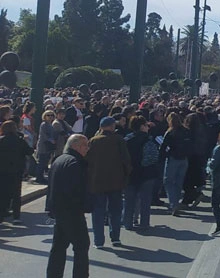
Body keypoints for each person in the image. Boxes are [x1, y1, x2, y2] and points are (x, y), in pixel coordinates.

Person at [46, 134, 91, 278]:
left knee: (59, 246)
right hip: (72, 211)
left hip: (59, 210)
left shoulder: (59, 159)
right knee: (81, 245)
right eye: (85, 145)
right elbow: (76, 189)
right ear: (76, 146)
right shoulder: (74, 163)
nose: (87, 148)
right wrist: (85, 205)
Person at [86, 116, 131, 248]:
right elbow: (126, 160)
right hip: (116, 181)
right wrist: (125, 176)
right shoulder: (119, 140)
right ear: (112, 126)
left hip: (97, 182)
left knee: (98, 212)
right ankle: (115, 237)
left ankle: (98, 240)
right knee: (115, 211)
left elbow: (87, 161)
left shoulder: (93, 141)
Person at [123, 115, 161, 230]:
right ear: (141, 126)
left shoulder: (127, 140)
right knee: (145, 200)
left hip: (130, 172)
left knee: (129, 200)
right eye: (146, 125)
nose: (148, 127)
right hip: (147, 172)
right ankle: (144, 223)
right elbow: (154, 157)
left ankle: (127, 223)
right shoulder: (149, 139)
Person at [160, 112, 193, 216]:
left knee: (168, 181)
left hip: (173, 158)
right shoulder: (186, 131)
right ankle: (176, 202)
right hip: (184, 159)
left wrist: (163, 156)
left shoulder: (170, 132)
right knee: (179, 182)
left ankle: (173, 204)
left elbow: (163, 146)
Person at [35, 110, 58, 183]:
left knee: (45, 162)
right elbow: (43, 135)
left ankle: (42, 176)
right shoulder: (44, 124)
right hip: (43, 145)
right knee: (41, 162)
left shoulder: (50, 124)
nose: (50, 117)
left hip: (49, 146)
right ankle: (39, 178)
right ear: (44, 116)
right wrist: (51, 140)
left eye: (52, 115)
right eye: (48, 115)